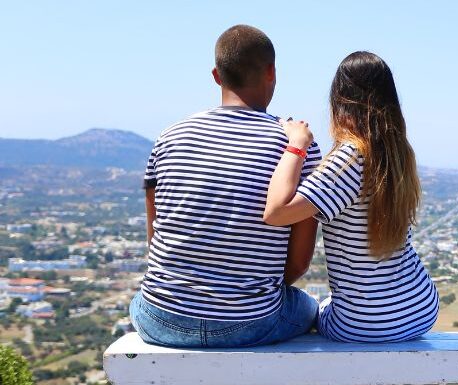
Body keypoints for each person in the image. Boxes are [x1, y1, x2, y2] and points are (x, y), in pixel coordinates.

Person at [130, 25, 322, 348]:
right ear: (272, 72)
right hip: (251, 322)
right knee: (311, 307)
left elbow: (156, 242)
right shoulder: (296, 147)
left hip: (161, 319)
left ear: (216, 76)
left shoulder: (169, 137)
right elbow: (299, 264)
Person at [263, 51, 439, 343]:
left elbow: (276, 212)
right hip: (420, 308)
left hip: (363, 323)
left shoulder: (350, 158)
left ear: (340, 103)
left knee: (309, 309)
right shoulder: (398, 155)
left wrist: (297, 145)